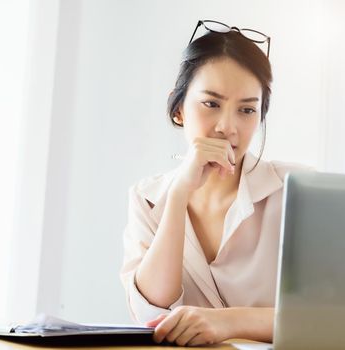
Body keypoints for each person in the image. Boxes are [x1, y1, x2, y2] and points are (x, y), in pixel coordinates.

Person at [120, 20, 313, 347]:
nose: (228, 127)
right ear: (179, 108)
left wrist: (227, 322)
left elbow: (327, 317)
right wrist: (179, 193)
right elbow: (150, 311)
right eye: (211, 104)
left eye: (247, 110)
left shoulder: (300, 190)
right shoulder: (148, 198)